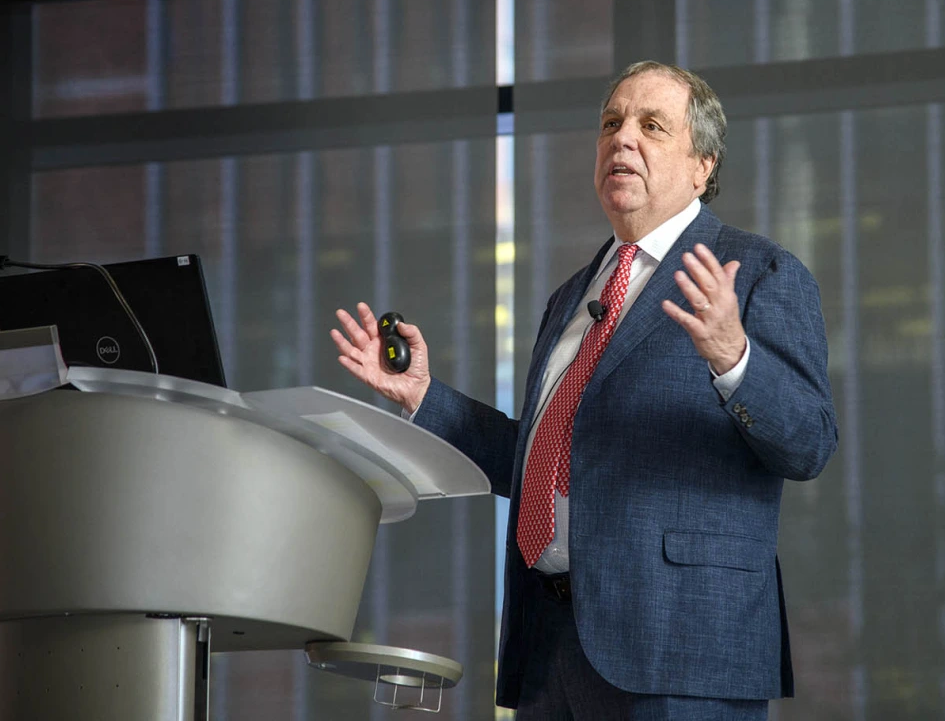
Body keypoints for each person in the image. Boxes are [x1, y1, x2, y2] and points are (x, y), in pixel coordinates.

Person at [332, 61, 837, 720]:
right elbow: (548, 461)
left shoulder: (759, 272)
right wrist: (425, 395)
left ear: (702, 166)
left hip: (679, 649)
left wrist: (731, 355)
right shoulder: (574, 295)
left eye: (652, 126)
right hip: (551, 646)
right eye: (610, 123)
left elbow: (809, 443)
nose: (622, 139)